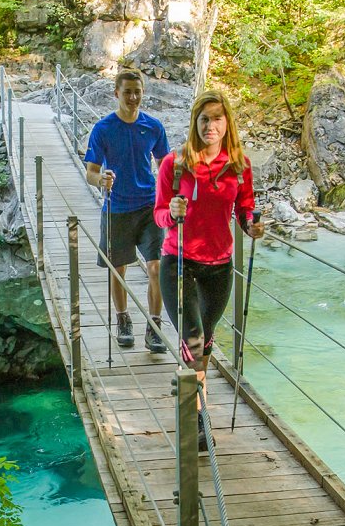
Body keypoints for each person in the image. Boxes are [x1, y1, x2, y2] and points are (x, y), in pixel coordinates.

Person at [153, 89, 265, 449]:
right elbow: (158, 214)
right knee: (193, 338)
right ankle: (199, 416)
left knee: (205, 343)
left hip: (219, 267)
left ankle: (195, 398)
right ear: (194, 122)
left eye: (217, 118)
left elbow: (245, 210)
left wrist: (252, 226)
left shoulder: (239, 166)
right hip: (179, 262)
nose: (211, 125)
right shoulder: (176, 164)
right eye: (204, 119)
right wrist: (172, 213)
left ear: (227, 122)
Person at [84, 68, 170, 352]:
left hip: (149, 207)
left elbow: (165, 165)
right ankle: (123, 320)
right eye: (127, 92)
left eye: (138, 92)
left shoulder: (154, 127)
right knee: (117, 269)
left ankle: (154, 325)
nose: (133, 98)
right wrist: (102, 180)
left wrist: (171, 194)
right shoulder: (104, 129)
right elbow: (91, 172)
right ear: (116, 94)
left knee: (157, 267)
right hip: (117, 207)